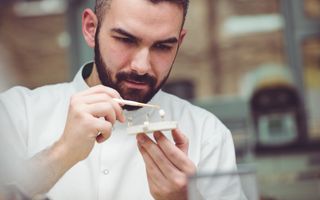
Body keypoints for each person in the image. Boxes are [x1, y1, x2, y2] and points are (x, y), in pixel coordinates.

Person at [0, 0, 245, 199]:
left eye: (162, 46)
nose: (141, 66)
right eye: (126, 40)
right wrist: (61, 153)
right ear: (90, 28)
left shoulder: (208, 133)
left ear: (179, 43)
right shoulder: (17, 113)